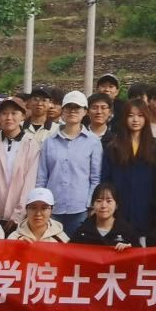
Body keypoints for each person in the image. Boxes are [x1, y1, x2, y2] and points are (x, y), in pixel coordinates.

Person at [36, 90, 103, 234]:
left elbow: (95, 178)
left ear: (85, 111)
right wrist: (40, 203)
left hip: (80, 208)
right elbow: (42, 176)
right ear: (63, 111)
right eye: (68, 107)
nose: (72, 111)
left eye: (77, 107)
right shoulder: (49, 141)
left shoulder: (93, 142)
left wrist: (91, 204)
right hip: (52, 207)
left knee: (78, 245)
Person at [0, 96, 40, 228]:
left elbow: (30, 181)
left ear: (23, 116)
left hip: (20, 217)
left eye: (14, 113)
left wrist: (19, 214)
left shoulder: (31, 144)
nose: (9, 117)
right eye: (4, 113)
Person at [102, 98, 156, 235]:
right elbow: (106, 180)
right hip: (119, 208)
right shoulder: (113, 147)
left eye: (140, 115)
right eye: (131, 115)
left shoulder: (154, 148)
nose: (135, 120)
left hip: (145, 209)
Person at [72, 182, 141, 250]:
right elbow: (71, 252)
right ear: (92, 204)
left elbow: (140, 254)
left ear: (116, 205)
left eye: (109, 201)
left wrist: (130, 250)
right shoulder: (82, 232)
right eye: (99, 201)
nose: (103, 206)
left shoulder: (128, 232)